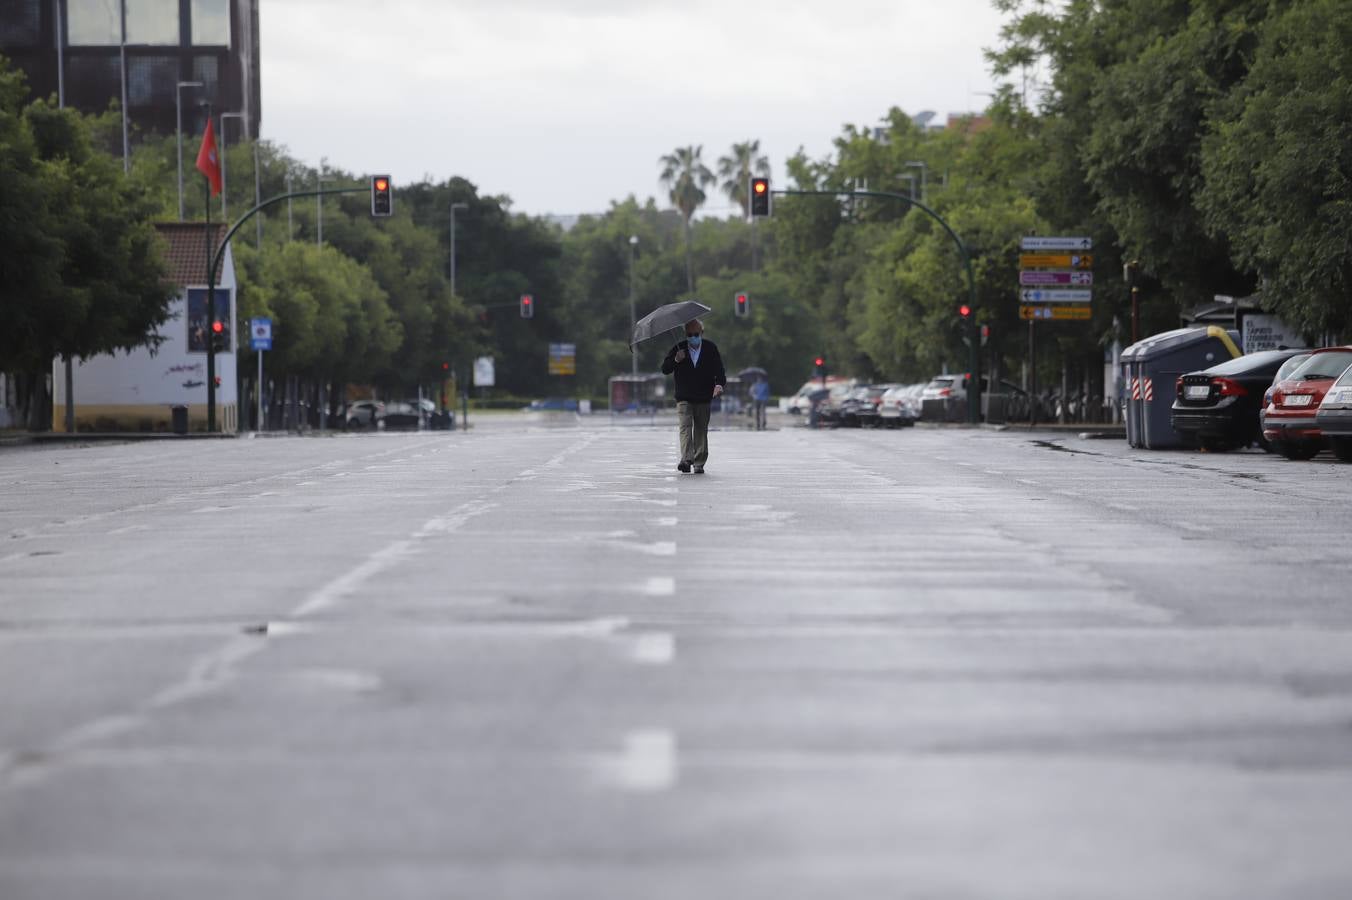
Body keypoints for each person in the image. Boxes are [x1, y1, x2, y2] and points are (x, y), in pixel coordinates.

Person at [661, 319, 726, 474]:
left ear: (701, 333)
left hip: (704, 396)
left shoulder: (710, 348)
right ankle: (686, 459)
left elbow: (720, 370)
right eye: (689, 334)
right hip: (684, 397)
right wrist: (676, 360)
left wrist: (719, 385)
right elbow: (665, 369)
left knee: (701, 430)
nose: (692, 337)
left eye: (696, 334)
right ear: (686, 334)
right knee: (685, 427)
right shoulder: (679, 348)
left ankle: (699, 461)